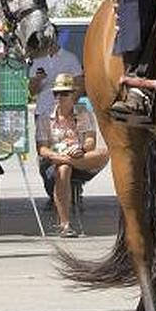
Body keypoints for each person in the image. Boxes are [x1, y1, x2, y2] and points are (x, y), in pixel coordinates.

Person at [36, 73, 109, 237]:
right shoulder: (45, 117)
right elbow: (42, 149)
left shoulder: (83, 113)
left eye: (64, 93)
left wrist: (81, 149)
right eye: (57, 93)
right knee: (63, 169)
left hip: (80, 158)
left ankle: (70, 161)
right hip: (54, 162)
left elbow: (91, 141)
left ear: (73, 95)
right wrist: (61, 158)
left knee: (105, 153)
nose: (60, 97)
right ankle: (65, 224)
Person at [29, 41, 82, 128]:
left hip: (66, 114)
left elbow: (80, 85)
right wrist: (38, 79)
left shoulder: (70, 58)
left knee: (68, 140)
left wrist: (68, 107)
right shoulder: (36, 60)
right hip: (42, 112)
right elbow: (32, 92)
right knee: (44, 140)